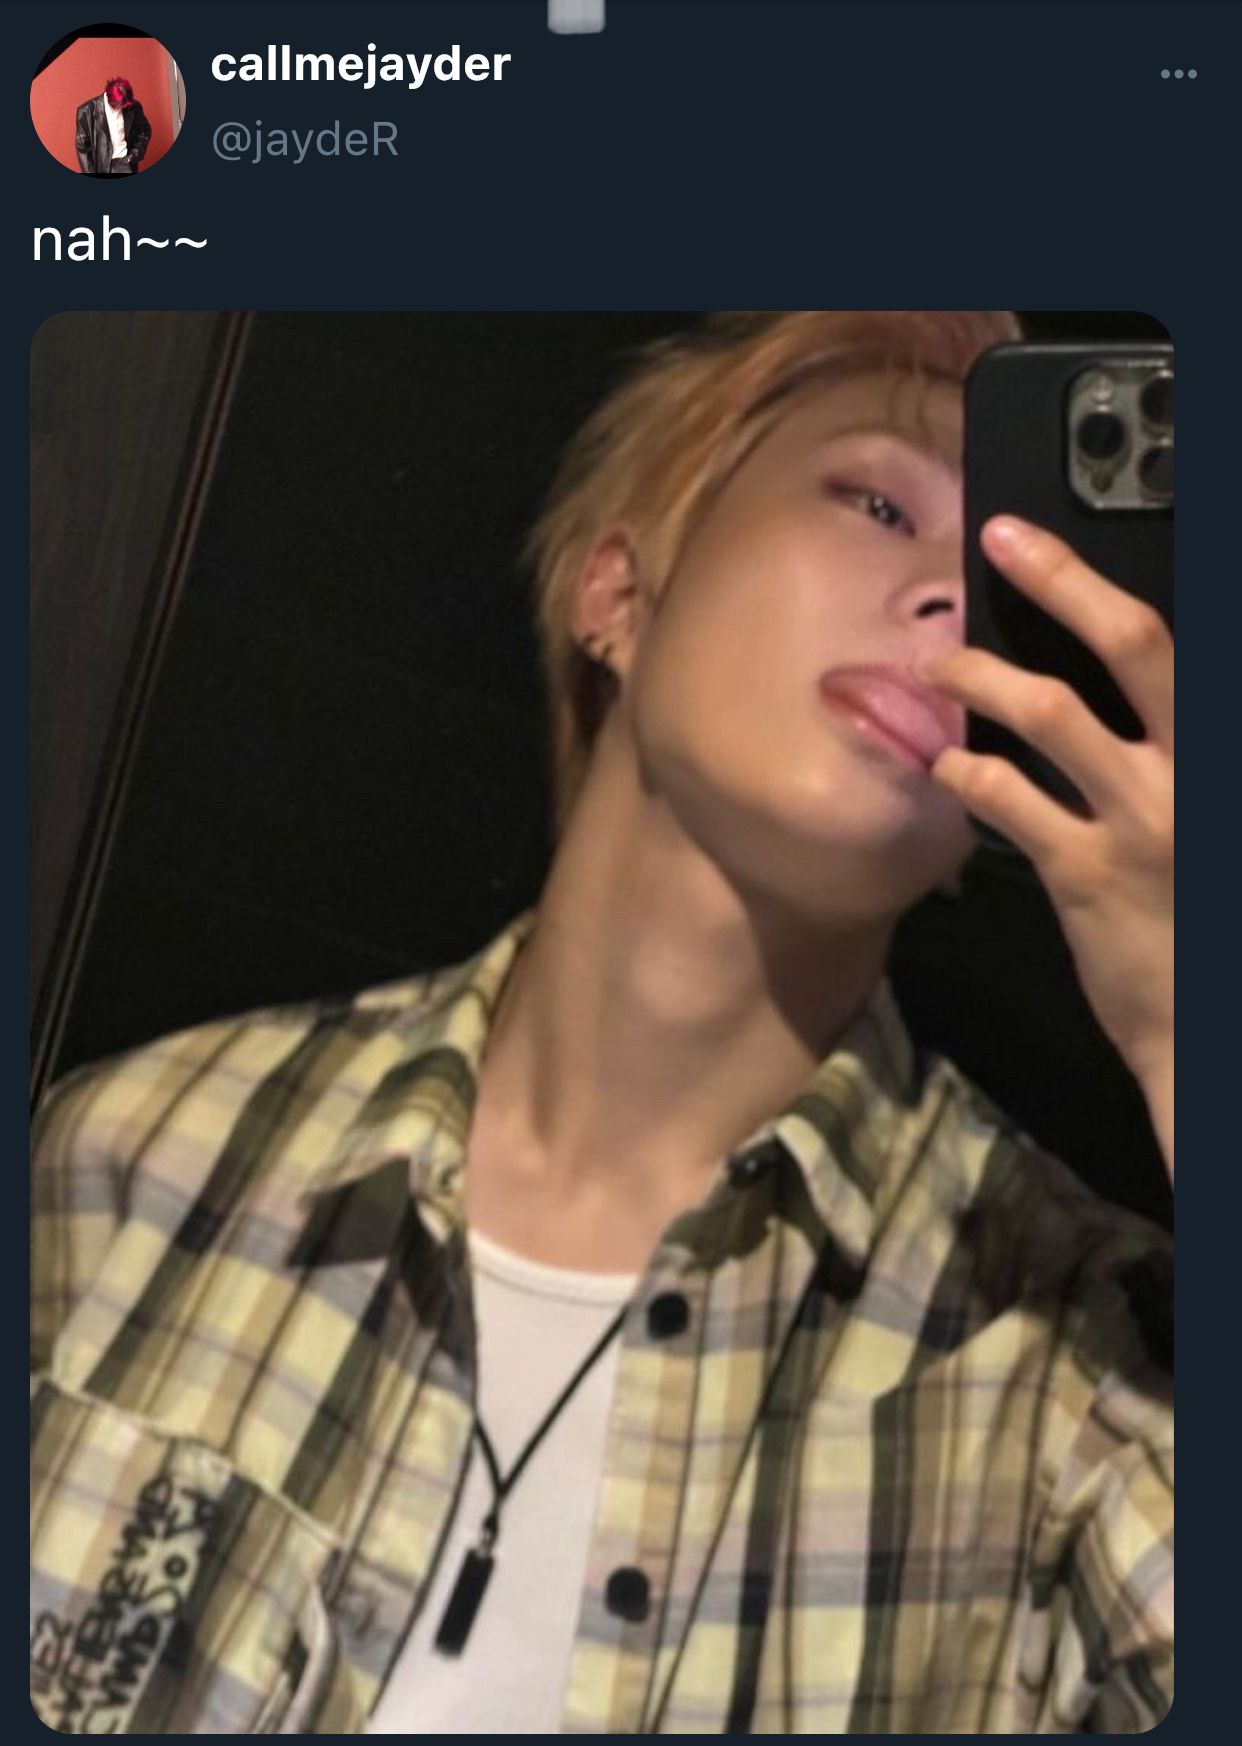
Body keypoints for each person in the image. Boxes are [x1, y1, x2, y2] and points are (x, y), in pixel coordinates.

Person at [29, 311, 1173, 1735]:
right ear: (617, 595)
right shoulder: (132, 1155)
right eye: (879, 504)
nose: (950, 598)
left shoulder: (1081, 1367)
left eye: (1003, 603)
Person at [74, 76, 151, 176]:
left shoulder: (133, 106)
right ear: (109, 98)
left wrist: (134, 154)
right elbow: (82, 147)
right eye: (119, 105)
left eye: (124, 106)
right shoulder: (86, 111)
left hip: (125, 163)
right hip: (101, 166)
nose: (122, 108)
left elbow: (145, 130)